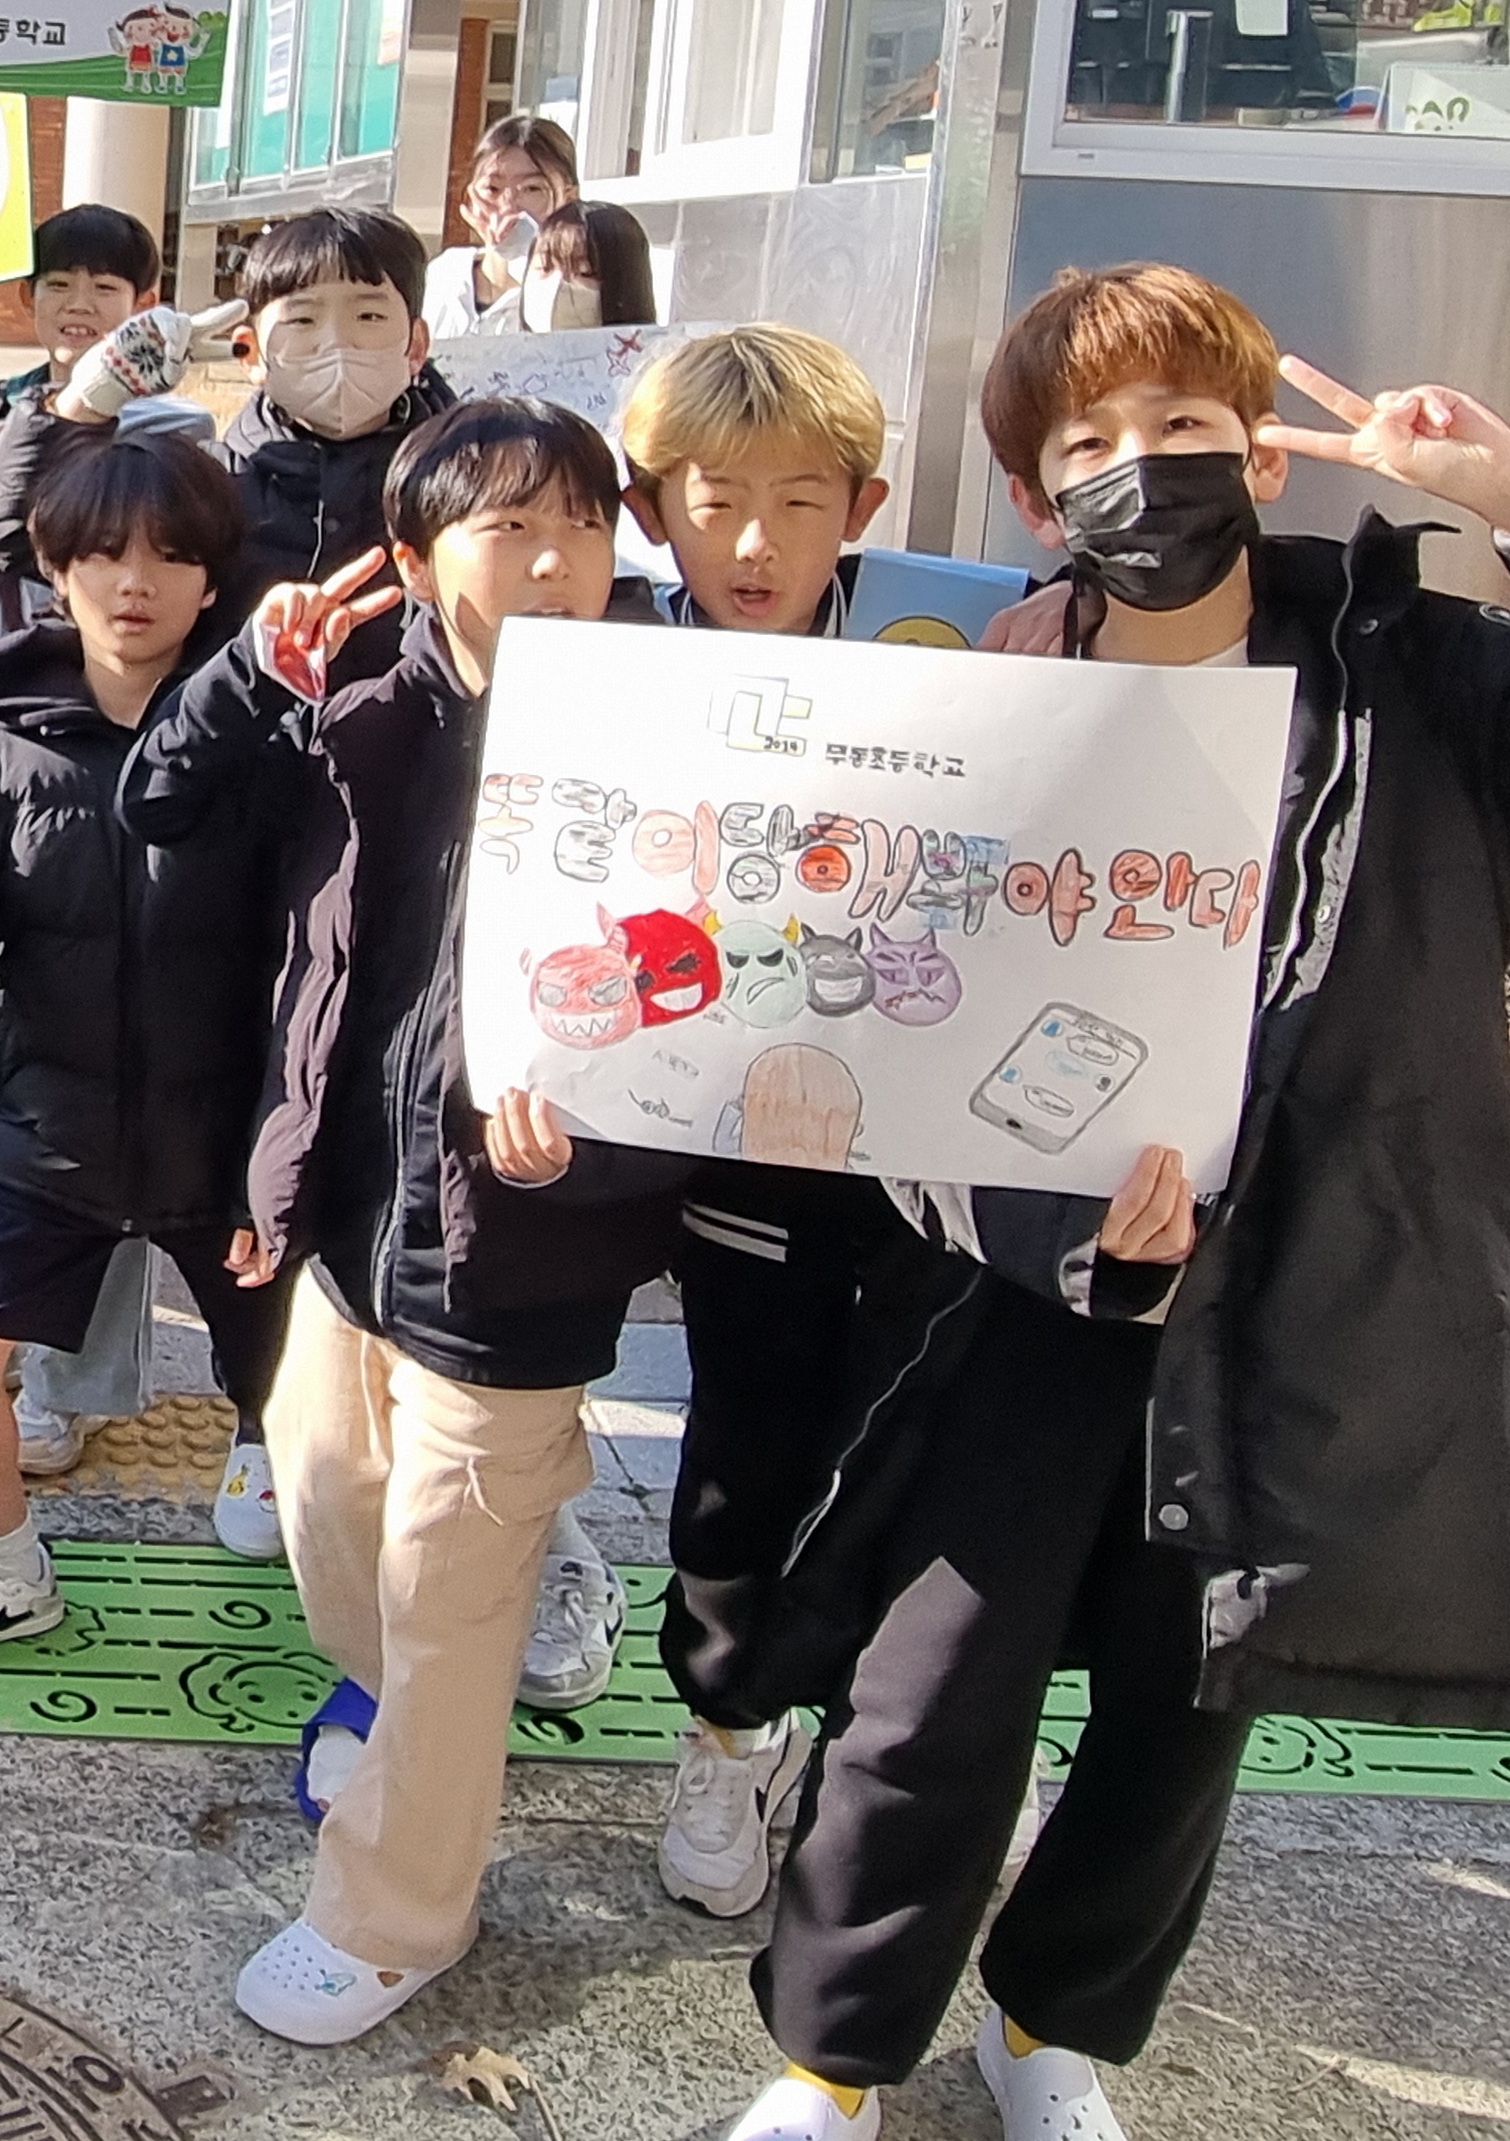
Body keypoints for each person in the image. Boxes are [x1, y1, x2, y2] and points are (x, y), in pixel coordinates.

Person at [720, 264, 1510, 2141]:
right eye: (1088, 440)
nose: (1140, 465)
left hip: (1303, 1291)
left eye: (1181, 422)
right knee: (928, 1700)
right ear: (1031, 494)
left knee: (1187, 1704)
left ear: (1260, 447)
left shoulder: (1413, 676)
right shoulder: (984, 699)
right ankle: (830, 2054)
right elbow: (886, 1027)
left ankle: (1051, 2023)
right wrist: (1056, 1232)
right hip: (1016, 1300)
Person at [130, 396, 686, 2050]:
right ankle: (394, 1708)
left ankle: (393, 1913)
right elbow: (161, 803)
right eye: (509, 528)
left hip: (522, 1236)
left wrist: (606, 1103)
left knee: (451, 1583)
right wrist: (250, 670)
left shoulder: (672, 724)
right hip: (348, 1214)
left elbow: (719, 978)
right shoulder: (352, 698)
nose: (554, 562)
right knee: (325, 1502)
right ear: (418, 551)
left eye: (581, 525)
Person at [0, 427, 289, 1671]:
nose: (135, 582)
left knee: (301, 1387)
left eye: (171, 555)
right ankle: (8, 1567)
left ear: (213, 580)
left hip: (227, 1145)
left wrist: (291, 1140)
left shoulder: (268, 745)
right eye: (104, 554)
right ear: (55, 568)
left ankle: (298, 1503)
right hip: (55, 1133)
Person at [608, 329, 920, 1919]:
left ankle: (884, 1729)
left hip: (932, 1163)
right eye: (714, 500)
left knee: (916, 1455)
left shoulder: (957, 649)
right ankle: (726, 1728)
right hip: (726, 1150)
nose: (754, 542)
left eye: (800, 503)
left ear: (862, 508)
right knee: (743, 1445)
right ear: (652, 509)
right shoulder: (603, 665)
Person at [0, 206, 450, 633]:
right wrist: (86, 399)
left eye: (368, 317)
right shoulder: (202, 485)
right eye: (302, 320)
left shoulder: (464, 487)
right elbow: (15, 535)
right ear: (250, 351)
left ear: (416, 345)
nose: (335, 343)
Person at [0, 201, 161, 430]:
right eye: (59, 285)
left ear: (142, 307)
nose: (78, 306)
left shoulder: (159, 425)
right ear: (28, 297)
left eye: (104, 287)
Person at [419, 115, 578, 337]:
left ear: (569, 198)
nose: (508, 206)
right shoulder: (443, 274)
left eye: (532, 188)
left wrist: (523, 255)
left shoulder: (575, 289)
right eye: (492, 188)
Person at [512, 199, 656, 330]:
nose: (557, 285)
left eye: (584, 272)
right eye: (544, 268)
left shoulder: (658, 350)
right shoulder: (504, 347)